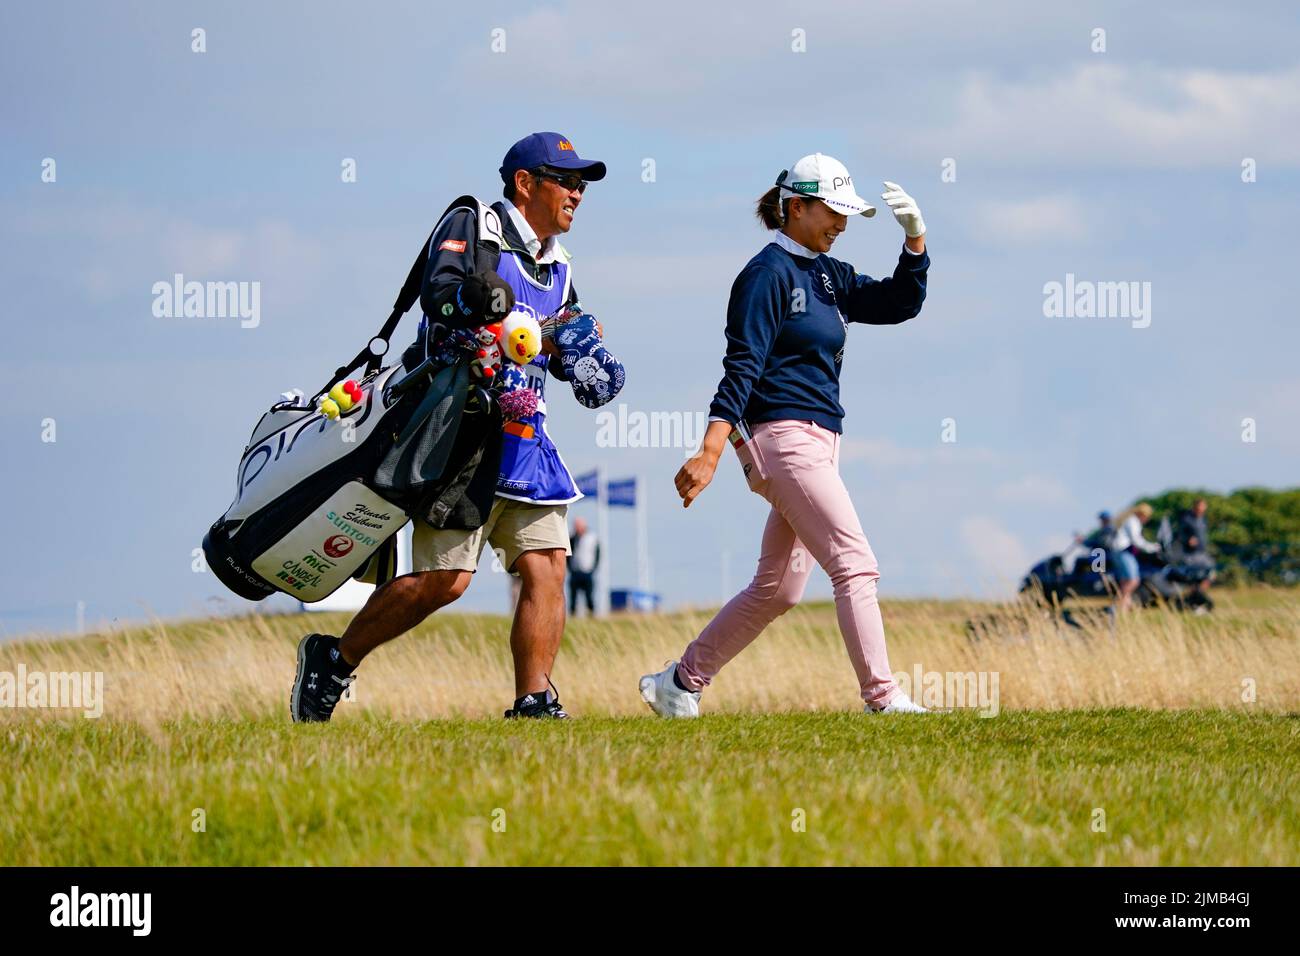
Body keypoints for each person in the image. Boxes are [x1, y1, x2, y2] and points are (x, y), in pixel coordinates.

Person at [292, 132, 609, 723]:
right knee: (446, 582)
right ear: (525, 183)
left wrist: (583, 356)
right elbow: (438, 298)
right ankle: (333, 658)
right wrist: (478, 299)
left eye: (582, 184)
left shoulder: (560, 265)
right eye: (567, 181)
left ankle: (533, 701)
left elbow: (563, 335)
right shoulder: (476, 224)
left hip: (527, 443)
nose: (578, 194)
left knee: (548, 564)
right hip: (461, 438)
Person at [640, 153, 933, 717]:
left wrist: (915, 241)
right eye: (833, 211)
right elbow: (742, 364)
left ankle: (679, 682)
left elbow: (900, 304)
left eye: (848, 214)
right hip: (783, 441)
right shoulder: (765, 275)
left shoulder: (830, 273)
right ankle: (882, 698)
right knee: (855, 564)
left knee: (778, 590)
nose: (842, 224)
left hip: (820, 442)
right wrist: (710, 448)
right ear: (795, 207)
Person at [1111, 502, 1160, 611]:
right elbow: (1137, 541)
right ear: (1142, 514)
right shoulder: (1133, 522)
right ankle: (1118, 604)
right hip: (1124, 552)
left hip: (1119, 552)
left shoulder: (1130, 520)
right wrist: (1153, 547)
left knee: (1125, 581)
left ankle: (1124, 608)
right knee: (1134, 581)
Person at [1175, 498, 1216, 608]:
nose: (1201, 510)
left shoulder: (1203, 519)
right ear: (1194, 507)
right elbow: (1179, 536)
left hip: (1202, 553)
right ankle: (1192, 600)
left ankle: (1197, 595)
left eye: (1203, 507)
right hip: (1191, 554)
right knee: (1193, 577)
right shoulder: (1187, 519)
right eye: (1199, 508)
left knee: (1210, 573)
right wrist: (1188, 539)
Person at [567, 517, 599, 616]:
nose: (577, 528)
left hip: (587, 571)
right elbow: (568, 555)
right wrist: (570, 568)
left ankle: (591, 614)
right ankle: (573, 614)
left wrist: (593, 568)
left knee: (589, 596)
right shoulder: (572, 538)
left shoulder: (592, 538)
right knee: (573, 597)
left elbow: (598, 554)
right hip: (575, 571)